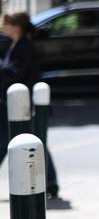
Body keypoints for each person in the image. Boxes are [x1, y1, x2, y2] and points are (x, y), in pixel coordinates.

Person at [0, 11, 60, 200]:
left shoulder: (23, 47)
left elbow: (13, 74)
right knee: (33, 141)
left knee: (18, 141)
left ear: (16, 26)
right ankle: (51, 183)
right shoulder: (16, 45)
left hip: (25, 105)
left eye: (6, 23)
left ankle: (51, 183)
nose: (3, 26)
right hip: (21, 104)